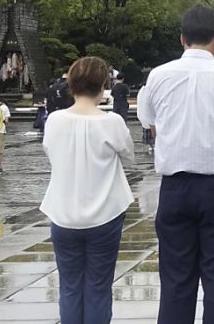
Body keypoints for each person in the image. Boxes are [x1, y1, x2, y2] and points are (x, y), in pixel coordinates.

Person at [137, 5, 214, 324]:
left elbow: (153, 127)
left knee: (176, 280)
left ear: (182, 39)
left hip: (175, 188)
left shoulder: (158, 76)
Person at [40, 57, 134, 324]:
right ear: (103, 86)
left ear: (71, 84)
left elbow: (50, 152)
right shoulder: (111, 122)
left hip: (63, 214)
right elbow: (129, 157)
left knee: (69, 286)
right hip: (105, 214)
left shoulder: (55, 120)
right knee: (98, 286)